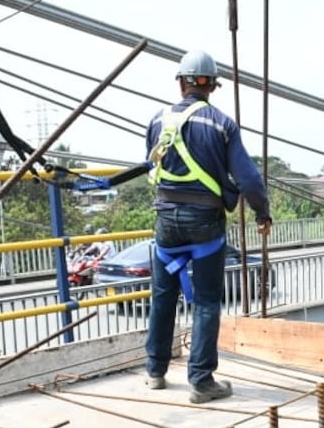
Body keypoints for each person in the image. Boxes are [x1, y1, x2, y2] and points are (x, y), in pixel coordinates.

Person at [67, 49, 271, 403]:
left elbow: (154, 165)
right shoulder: (222, 124)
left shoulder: (157, 121)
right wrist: (261, 213)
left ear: (181, 84)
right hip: (205, 223)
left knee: (163, 295)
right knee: (206, 301)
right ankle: (201, 380)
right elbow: (248, 179)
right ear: (212, 87)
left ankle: (155, 370)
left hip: (166, 223)